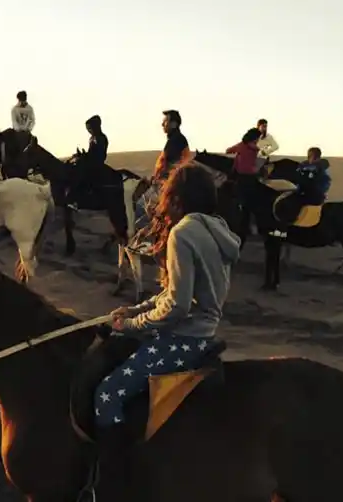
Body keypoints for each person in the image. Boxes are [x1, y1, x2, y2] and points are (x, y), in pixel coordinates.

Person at [92, 164, 241, 494]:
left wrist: (131, 324)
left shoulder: (182, 233)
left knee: (107, 394)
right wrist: (136, 309)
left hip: (183, 338)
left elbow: (177, 306)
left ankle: (115, 485)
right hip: (203, 332)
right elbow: (175, 291)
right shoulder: (217, 228)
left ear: (176, 197)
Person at [129, 110, 192, 254]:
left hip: (170, 185)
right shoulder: (175, 140)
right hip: (167, 183)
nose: (162, 124)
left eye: (166, 121)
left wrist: (156, 181)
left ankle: (146, 245)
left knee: (143, 208)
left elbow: (170, 166)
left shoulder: (176, 141)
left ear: (174, 124)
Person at [225, 127, 263, 237]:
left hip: (240, 178)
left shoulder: (241, 145)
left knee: (240, 203)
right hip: (251, 178)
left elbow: (228, 150)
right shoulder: (257, 148)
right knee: (251, 204)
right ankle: (252, 226)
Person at [66, 115, 109, 211]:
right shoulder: (92, 138)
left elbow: (99, 154)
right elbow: (91, 153)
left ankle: (74, 199)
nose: (89, 131)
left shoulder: (101, 138)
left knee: (80, 174)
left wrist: (86, 156)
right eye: (88, 129)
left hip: (97, 164)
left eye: (90, 128)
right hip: (91, 162)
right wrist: (82, 154)